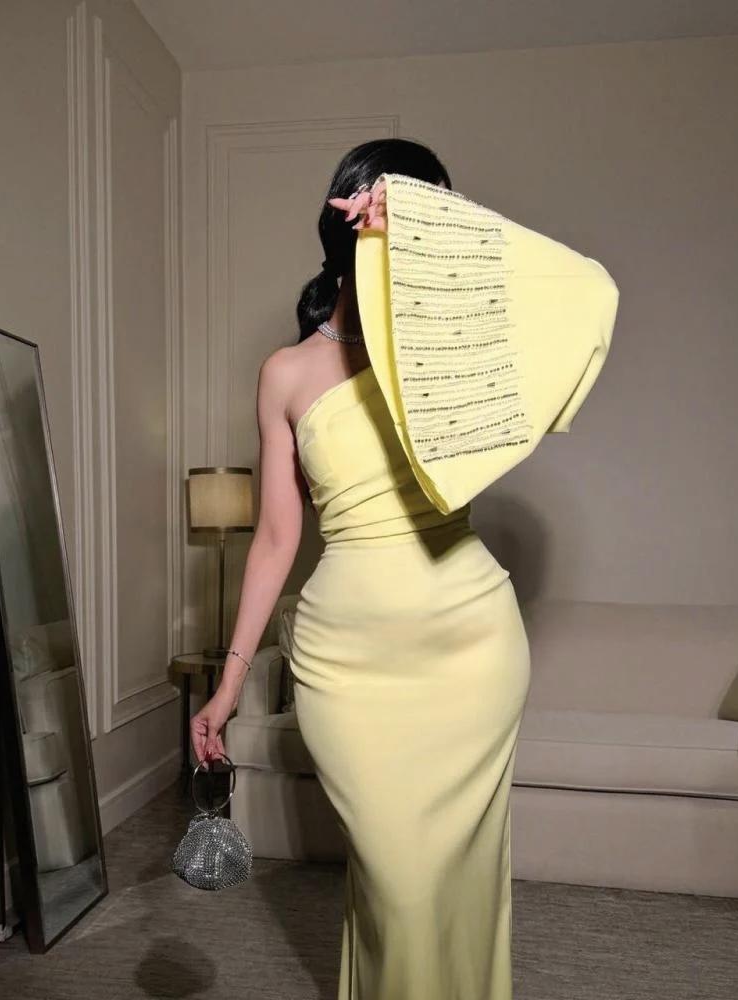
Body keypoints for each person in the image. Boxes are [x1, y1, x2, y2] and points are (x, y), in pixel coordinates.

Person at [190, 137, 618, 999]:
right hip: (347, 665)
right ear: (347, 217)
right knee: (398, 886)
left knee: (451, 885)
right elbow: (276, 538)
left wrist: (420, 227)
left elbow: (591, 290)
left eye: (433, 215)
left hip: (469, 648)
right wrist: (230, 682)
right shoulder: (286, 373)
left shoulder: (447, 349)